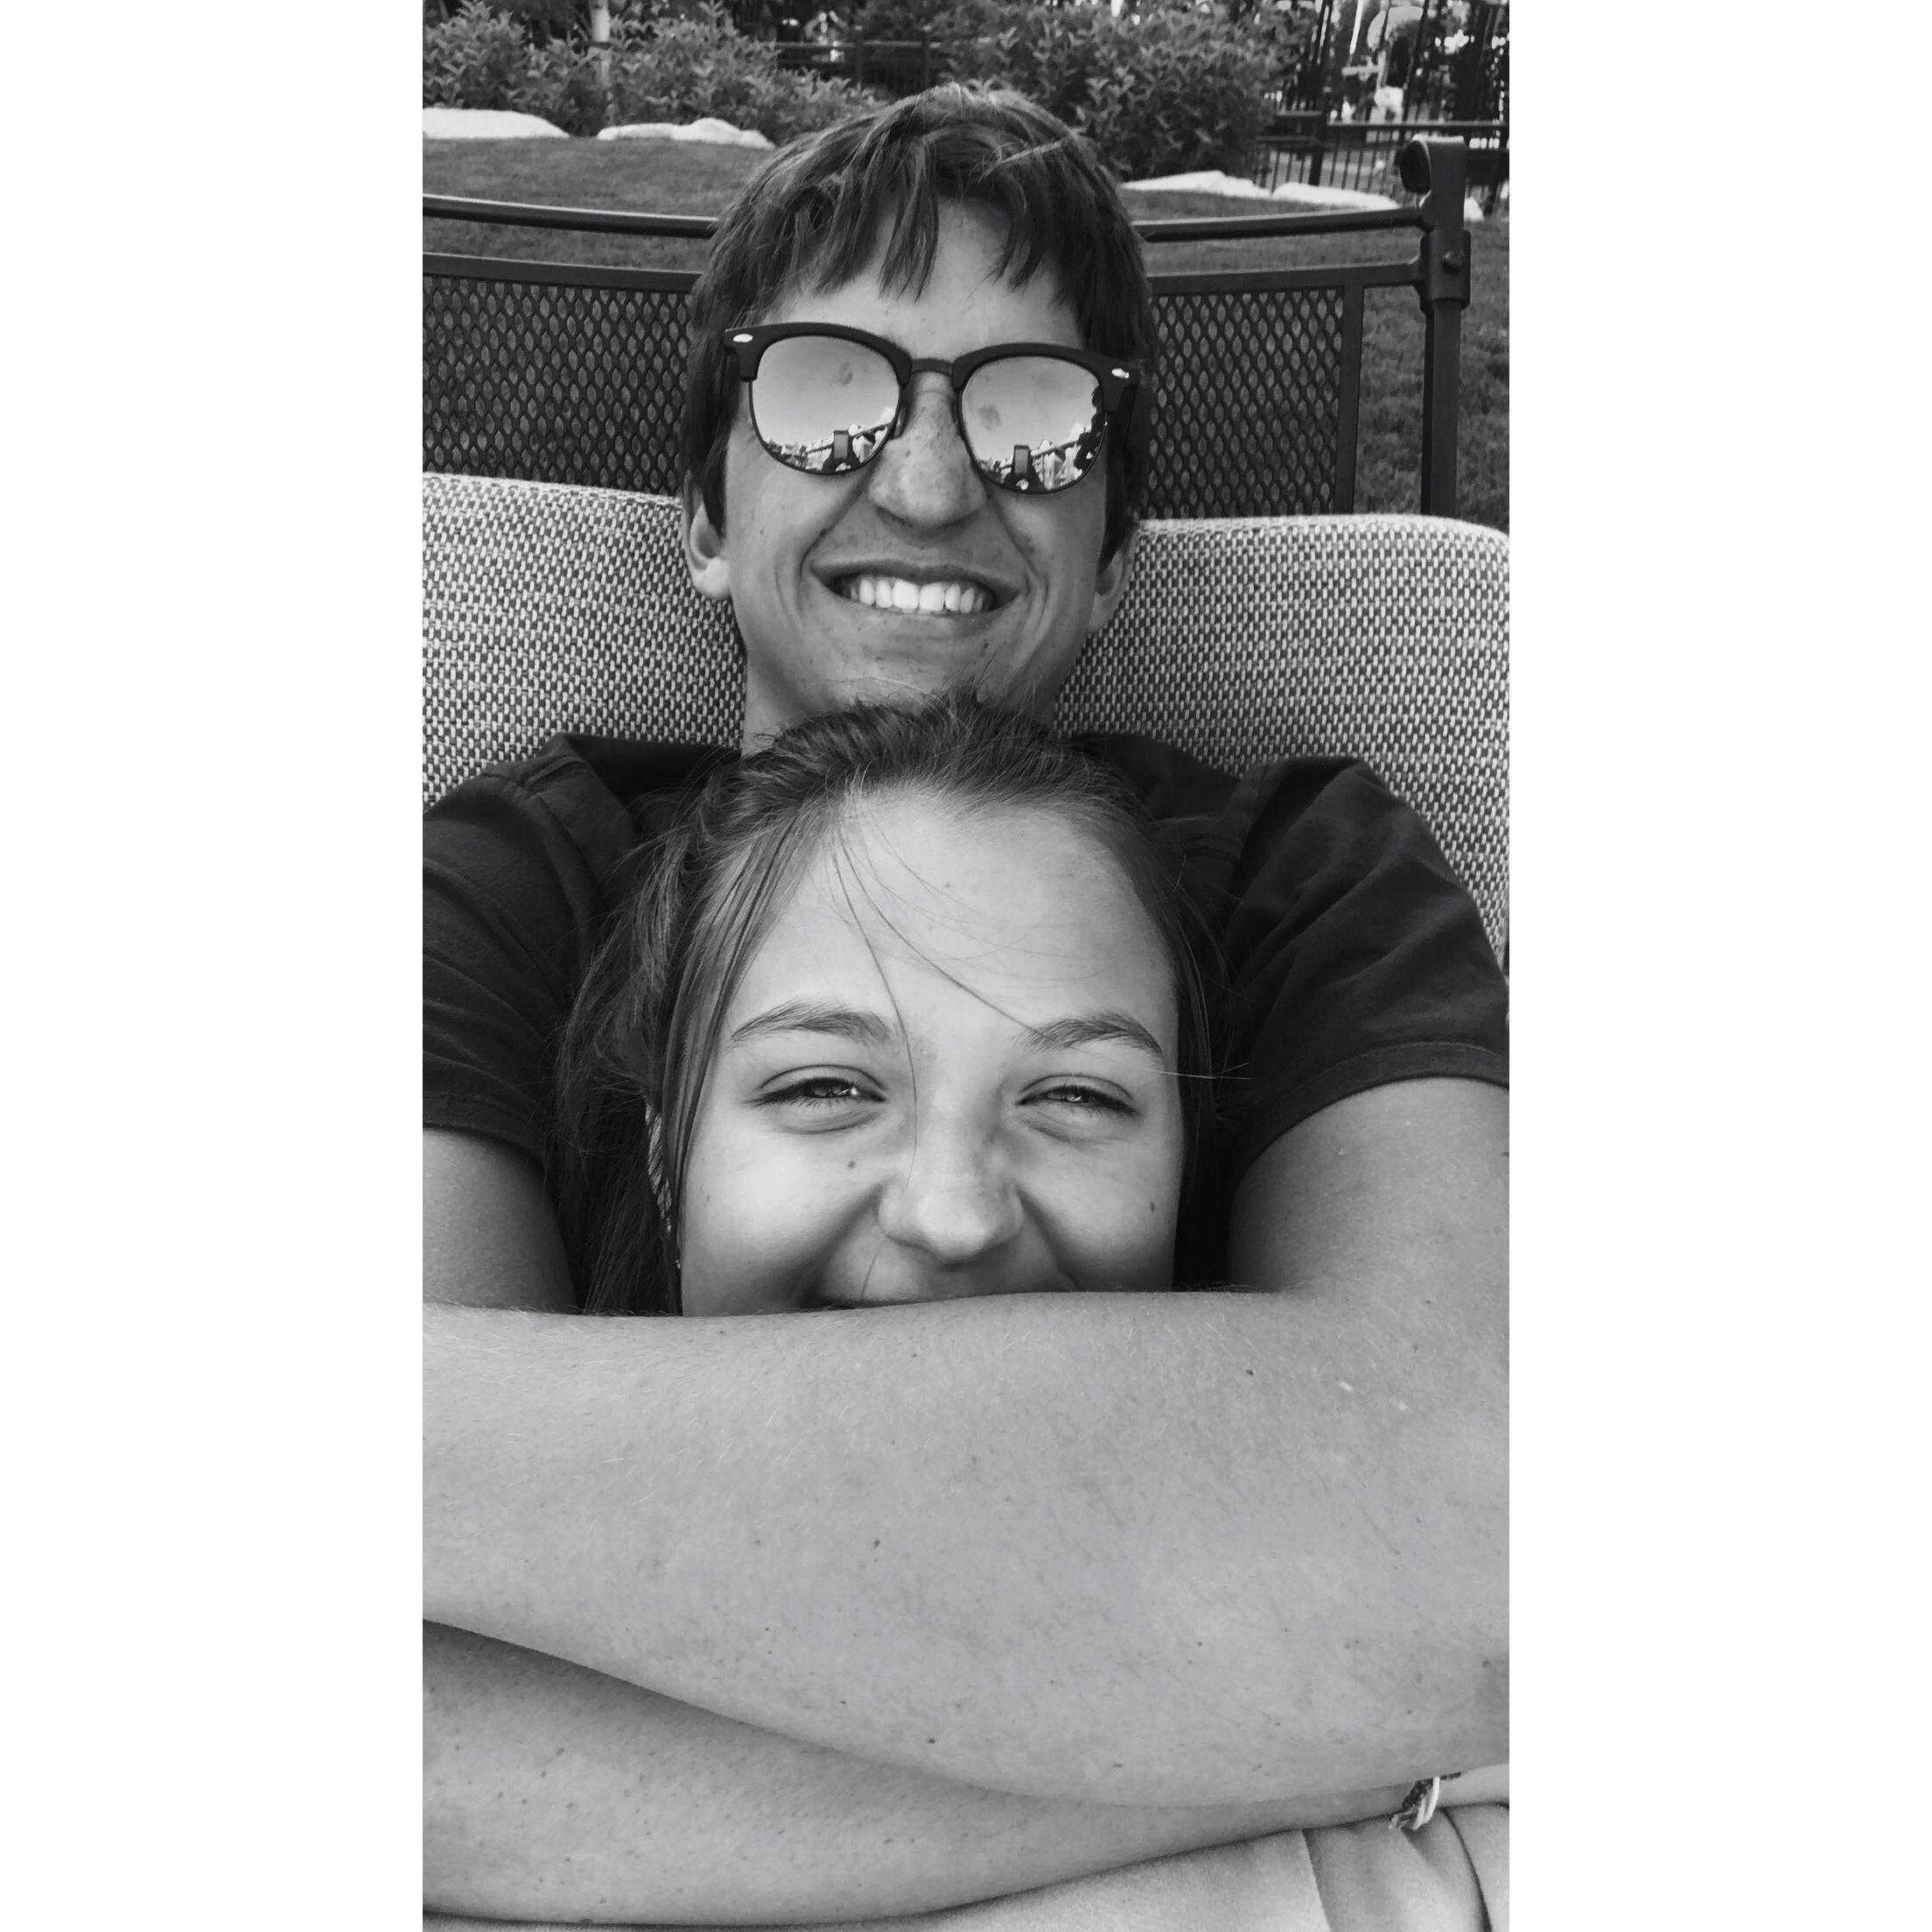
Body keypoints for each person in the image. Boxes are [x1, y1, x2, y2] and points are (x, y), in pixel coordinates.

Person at [424, 83, 1508, 1925]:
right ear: (703, 514)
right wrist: (1321, 1709)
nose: (928, 482)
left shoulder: (1299, 876)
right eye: (825, 391)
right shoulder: (507, 887)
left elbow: (1483, 1508)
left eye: (1030, 413)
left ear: (1114, 547)